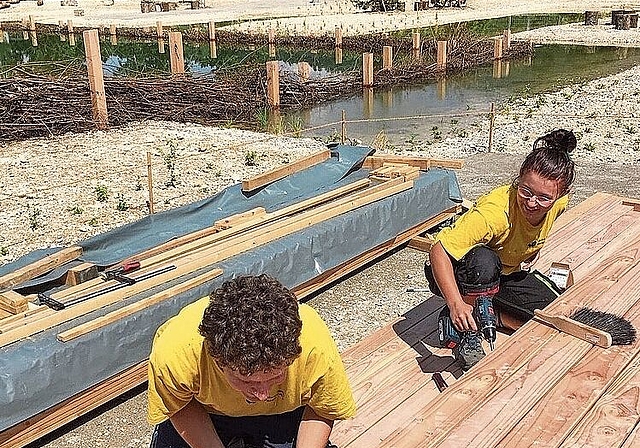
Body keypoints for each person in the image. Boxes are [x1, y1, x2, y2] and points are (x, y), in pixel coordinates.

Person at [426, 129, 577, 370]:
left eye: (543, 198)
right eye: (525, 191)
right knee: (484, 260)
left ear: (561, 196)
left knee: (552, 318)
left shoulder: (560, 204)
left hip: (504, 273)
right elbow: (439, 250)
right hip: (457, 269)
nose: (531, 202)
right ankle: (466, 329)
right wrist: (455, 302)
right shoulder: (494, 214)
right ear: (518, 179)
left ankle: (492, 313)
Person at [147, 274, 356, 448]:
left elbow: (322, 409)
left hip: (284, 413)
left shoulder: (314, 346)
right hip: (204, 411)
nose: (263, 395)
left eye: (276, 376)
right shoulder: (176, 354)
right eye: (248, 381)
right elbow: (179, 406)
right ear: (218, 361)